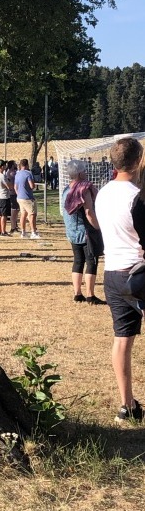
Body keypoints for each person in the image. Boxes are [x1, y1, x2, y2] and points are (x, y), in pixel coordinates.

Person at [95, 137, 145, 423]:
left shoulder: (103, 193)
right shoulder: (135, 197)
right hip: (137, 270)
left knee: (122, 340)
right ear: (138, 161)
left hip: (112, 272)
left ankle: (127, 405)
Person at [62, 160, 105, 305]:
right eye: (84, 171)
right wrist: (98, 227)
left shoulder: (66, 189)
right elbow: (89, 213)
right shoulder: (83, 190)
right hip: (85, 231)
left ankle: (77, 293)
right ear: (80, 173)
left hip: (72, 232)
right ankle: (90, 295)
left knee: (78, 260)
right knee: (91, 261)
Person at [14, 159, 40, 239]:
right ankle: (33, 232)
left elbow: (15, 187)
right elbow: (32, 185)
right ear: (27, 165)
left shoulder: (17, 174)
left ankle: (23, 232)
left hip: (19, 197)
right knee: (32, 214)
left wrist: (19, 194)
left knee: (23, 215)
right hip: (27, 197)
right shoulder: (28, 173)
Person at [0, 160, 11, 236]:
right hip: (4, 196)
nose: (5, 166)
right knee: (4, 215)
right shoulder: (2, 176)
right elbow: (8, 186)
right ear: (1, 166)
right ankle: (3, 231)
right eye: (4, 165)